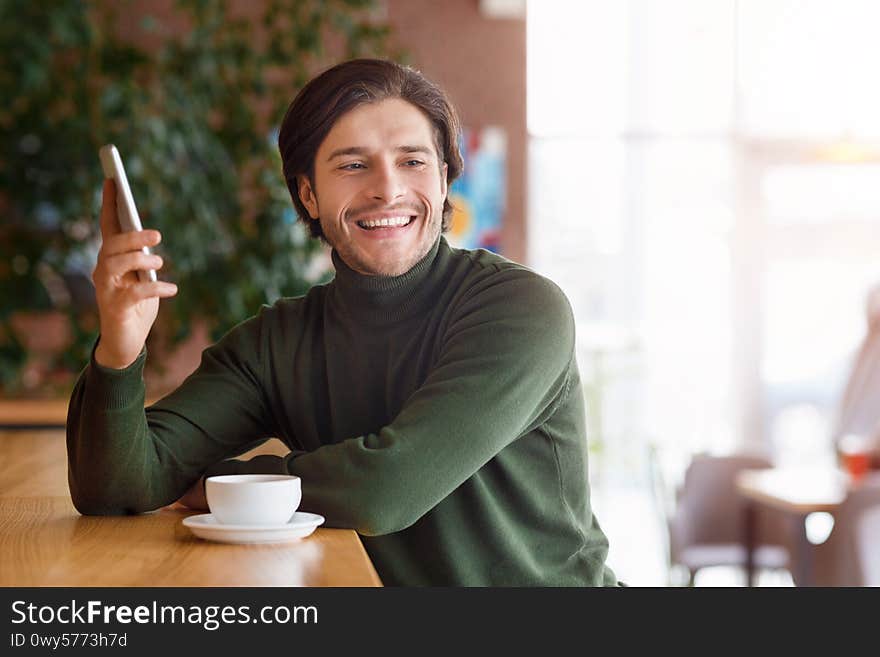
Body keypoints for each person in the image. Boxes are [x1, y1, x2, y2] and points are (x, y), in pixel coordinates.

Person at [67, 58, 618, 586]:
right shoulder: (277, 343)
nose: (387, 188)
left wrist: (231, 484)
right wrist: (120, 344)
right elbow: (117, 488)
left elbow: (386, 490)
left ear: (445, 177)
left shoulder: (520, 308)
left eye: (413, 161)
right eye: (353, 165)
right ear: (308, 193)